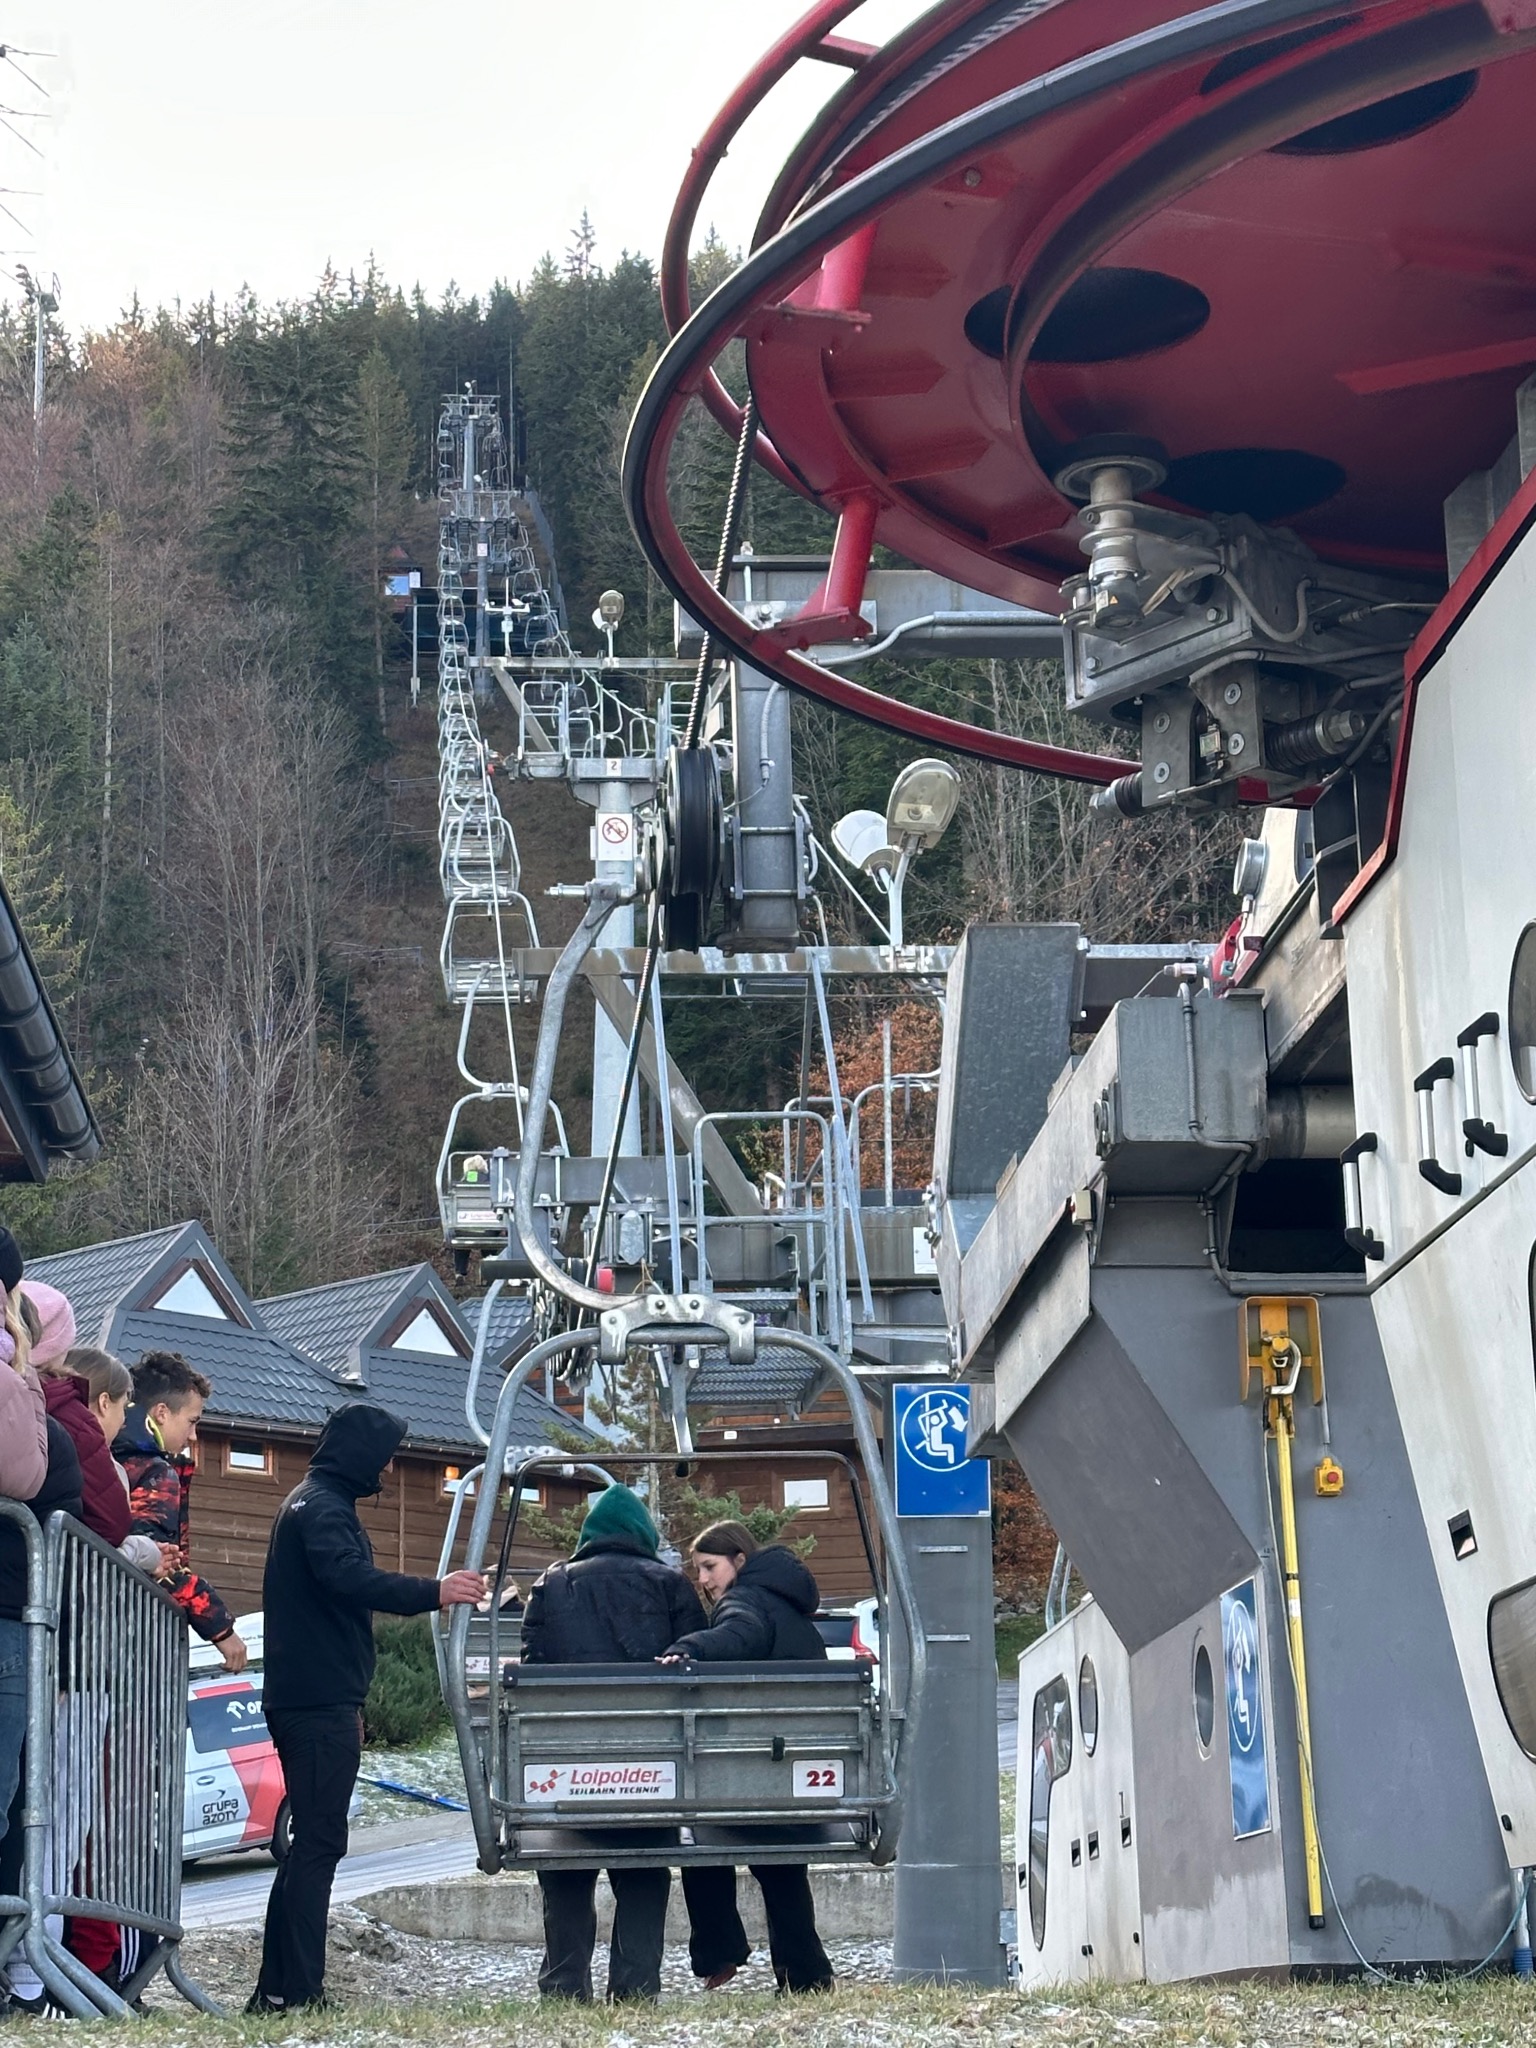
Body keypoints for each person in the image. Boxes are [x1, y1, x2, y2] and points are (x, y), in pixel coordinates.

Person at [250, 1402, 485, 2015]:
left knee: (309, 1845)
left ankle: (278, 1989)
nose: (386, 1468)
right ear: (360, 1453)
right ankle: (296, 1992)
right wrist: (435, 1592)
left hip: (310, 1697)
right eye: (383, 1455)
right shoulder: (323, 1507)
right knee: (319, 1843)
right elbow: (348, 1579)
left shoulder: (307, 1500)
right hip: (318, 1701)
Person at [521, 1484, 707, 2004]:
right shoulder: (671, 1584)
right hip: (655, 1763)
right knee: (645, 1876)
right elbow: (697, 1675)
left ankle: (562, 1988)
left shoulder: (552, 1584)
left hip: (569, 1762)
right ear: (642, 1535)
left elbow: (534, 1669)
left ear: (589, 1536)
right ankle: (635, 1988)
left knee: (564, 1877)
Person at [664, 1521, 835, 1996]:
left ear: (739, 1560)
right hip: (792, 1769)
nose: (704, 1580)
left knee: (700, 1834)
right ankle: (806, 1976)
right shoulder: (787, 1603)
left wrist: (690, 1647)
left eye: (709, 1567)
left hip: (762, 1766)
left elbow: (740, 1636)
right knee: (781, 1868)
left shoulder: (746, 1600)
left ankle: (719, 1951)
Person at [0, 1295, 84, 2020]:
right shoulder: (41, 1409)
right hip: (10, 1618)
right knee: (11, 1803)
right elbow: (39, 1487)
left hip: (17, 1620)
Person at [113, 1350, 247, 1672]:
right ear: (161, 1413)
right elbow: (159, 1560)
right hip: (131, 1642)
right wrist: (222, 1629)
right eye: (192, 1421)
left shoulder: (108, 1457)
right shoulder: (156, 1473)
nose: (193, 1436)